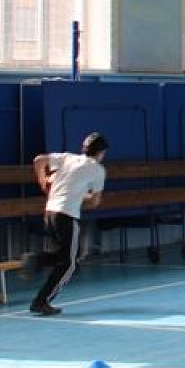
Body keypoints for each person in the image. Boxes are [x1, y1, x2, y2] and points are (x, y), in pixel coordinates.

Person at [30, 132, 108, 316]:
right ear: (101, 152)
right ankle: (41, 301)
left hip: (50, 212)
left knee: (65, 256)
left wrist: (42, 178)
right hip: (66, 215)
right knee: (69, 263)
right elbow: (95, 202)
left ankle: (37, 260)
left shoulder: (67, 158)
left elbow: (39, 160)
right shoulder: (97, 170)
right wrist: (82, 195)